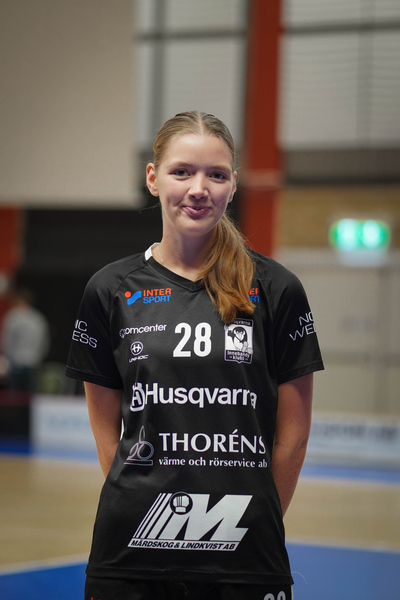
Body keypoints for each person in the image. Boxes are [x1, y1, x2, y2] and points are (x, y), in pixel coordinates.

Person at [66, 111, 324, 600]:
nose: (199, 189)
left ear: (233, 185)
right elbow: (106, 431)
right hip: (132, 550)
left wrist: (254, 518)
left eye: (217, 175)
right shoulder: (110, 289)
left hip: (246, 552)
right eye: (182, 171)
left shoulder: (277, 289)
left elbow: (293, 435)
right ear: (153, 178)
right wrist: (146, 503)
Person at [1, 286, 50, 392]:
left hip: (16, 364)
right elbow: (44, 343)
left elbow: (6, 341)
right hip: (33, 363)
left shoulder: (12, 317)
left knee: (15, 397)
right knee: (29, 397)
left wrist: (7, 358)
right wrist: (38, 358)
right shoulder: (38, 318)